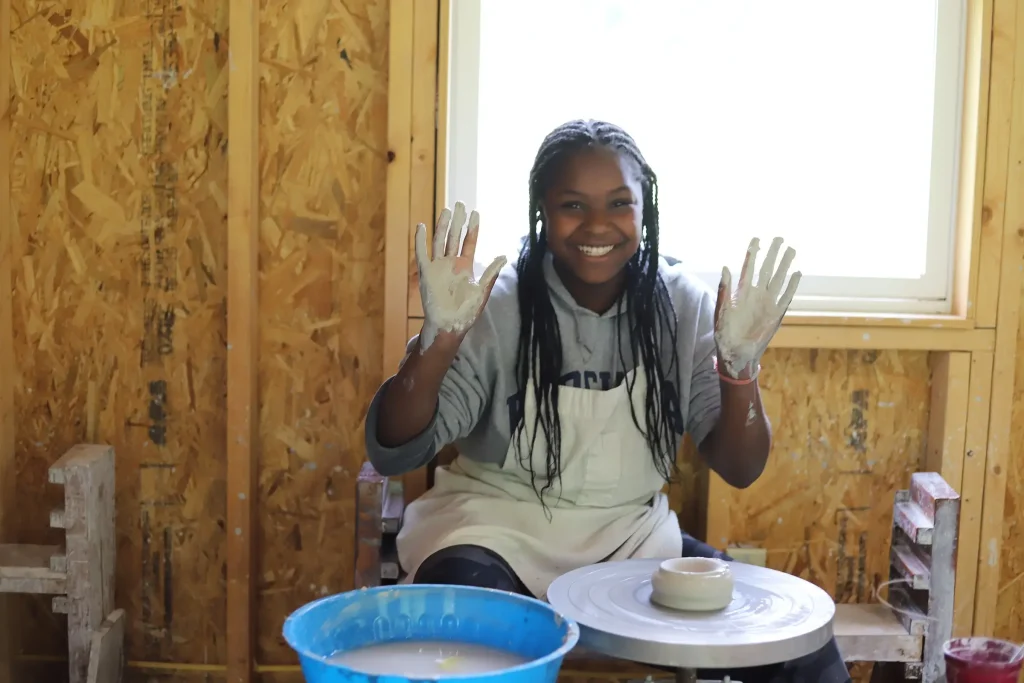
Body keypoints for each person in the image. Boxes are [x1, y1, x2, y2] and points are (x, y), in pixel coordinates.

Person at [365, 119, 849, 683]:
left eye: (619, 203)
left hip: (632, 540)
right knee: (461, 628)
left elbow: (741, 469)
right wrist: (438, 341)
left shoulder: (682, 305)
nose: (598, 224)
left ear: (646, 208)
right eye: (573, 204)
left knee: (787, 646)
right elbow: (393, 452)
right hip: (493, 531)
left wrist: (739, 372)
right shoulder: (493, 304)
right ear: (542, 209)